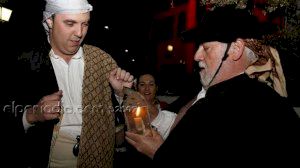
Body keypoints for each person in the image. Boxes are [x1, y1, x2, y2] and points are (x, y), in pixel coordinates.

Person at [125, 6, 300, 167]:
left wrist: (157, 152)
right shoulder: (275, 102)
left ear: (235, 49)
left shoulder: (215, 108)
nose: (196, 56)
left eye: (206, 48)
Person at [5, 0, 134, 167]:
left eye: (85, 24)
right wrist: (31, 116)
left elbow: (132, 121)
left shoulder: (102, 61)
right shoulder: (24, 62)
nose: (79, 33)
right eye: (70, 23)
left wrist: (121, 94)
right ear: (49, 21)